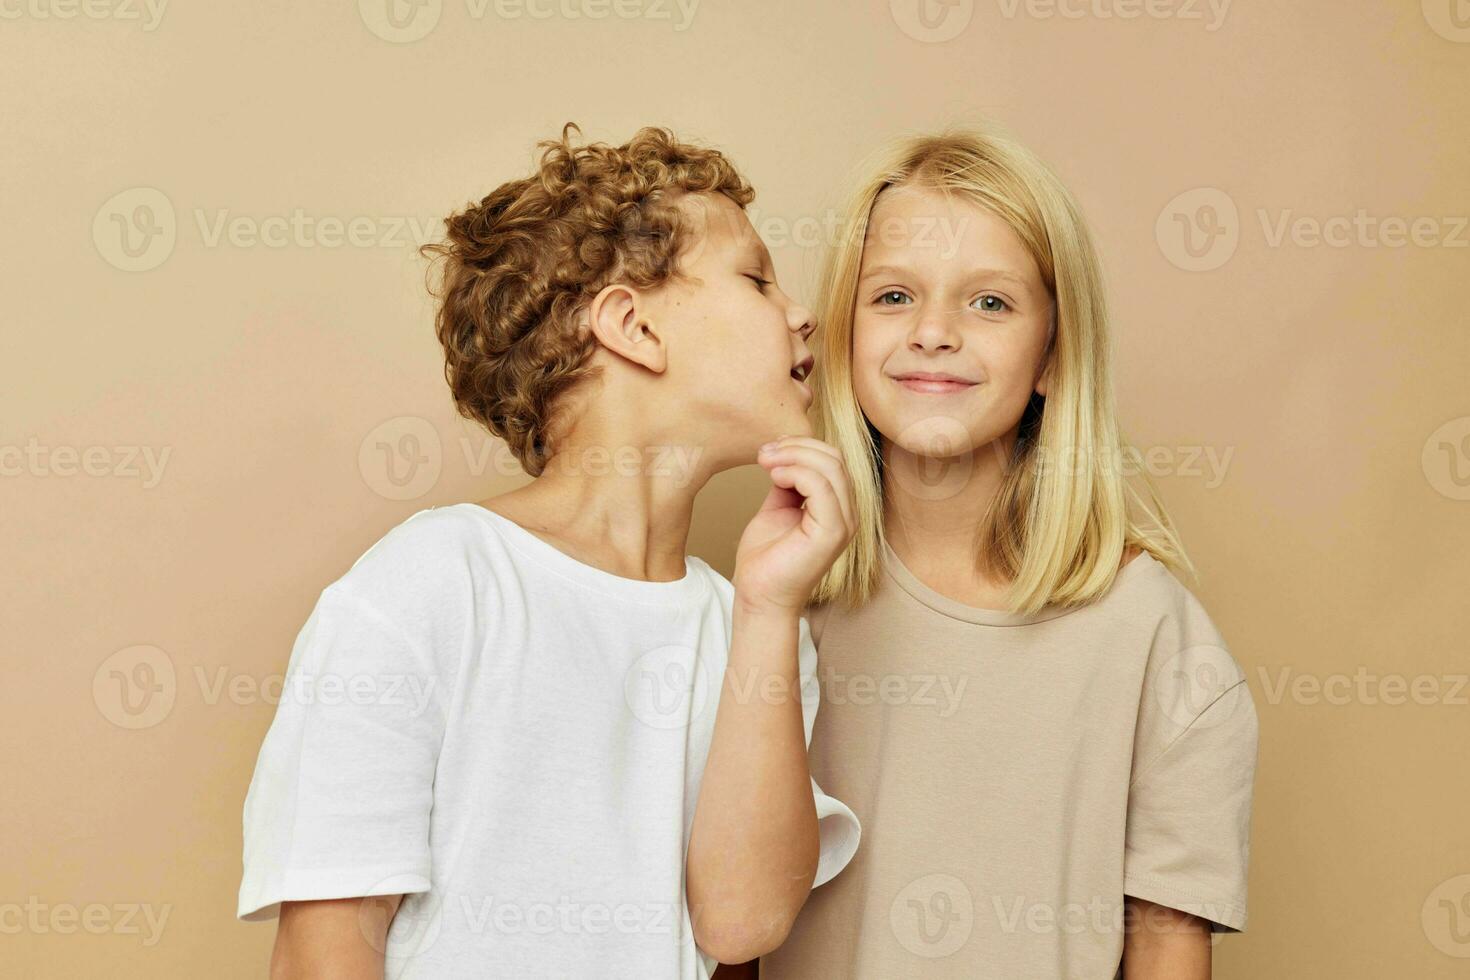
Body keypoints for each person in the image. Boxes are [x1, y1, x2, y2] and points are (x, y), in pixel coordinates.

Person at [237, 124, 861, 979]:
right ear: (633, 327)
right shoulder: (431, 585)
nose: (803, 313)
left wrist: (769, 609)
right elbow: (326, 951)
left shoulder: (758, 623)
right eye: (756, 278)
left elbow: (741, 925)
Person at [754, 126, 1259, 980]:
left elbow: (1167, 943)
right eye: (892, 297)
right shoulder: (782, 603)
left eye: (989, 302)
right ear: (840, 332)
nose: (934, 333)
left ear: (1052, 355)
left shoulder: (1150, 632)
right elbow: (736, 927)